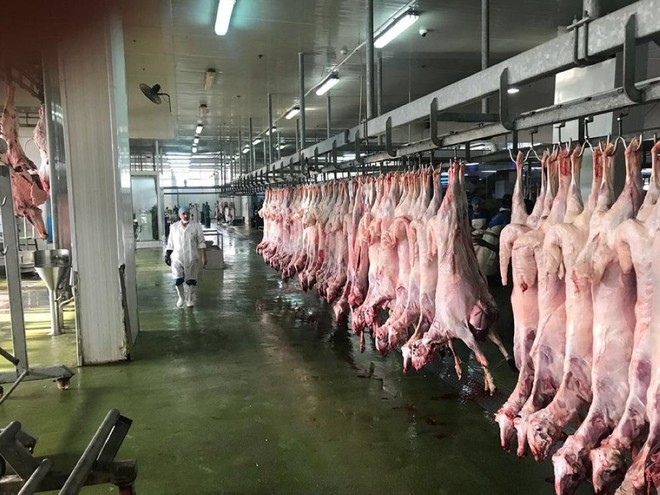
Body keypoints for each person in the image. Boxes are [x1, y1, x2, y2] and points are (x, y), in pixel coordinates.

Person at [164, 206, 208, 308]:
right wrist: (167, 254)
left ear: (190, 214)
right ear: (179, 215)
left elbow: (201, 242)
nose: (185, 215)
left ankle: (189, 299)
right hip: (177, 258)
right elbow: (170, 243)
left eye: (187, 213)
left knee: (191, 280)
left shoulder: (196, 226)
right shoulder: (174, 227)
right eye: (183, 214)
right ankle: (181, 297)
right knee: (177, 279)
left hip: (192, 257)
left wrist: (204, 256)